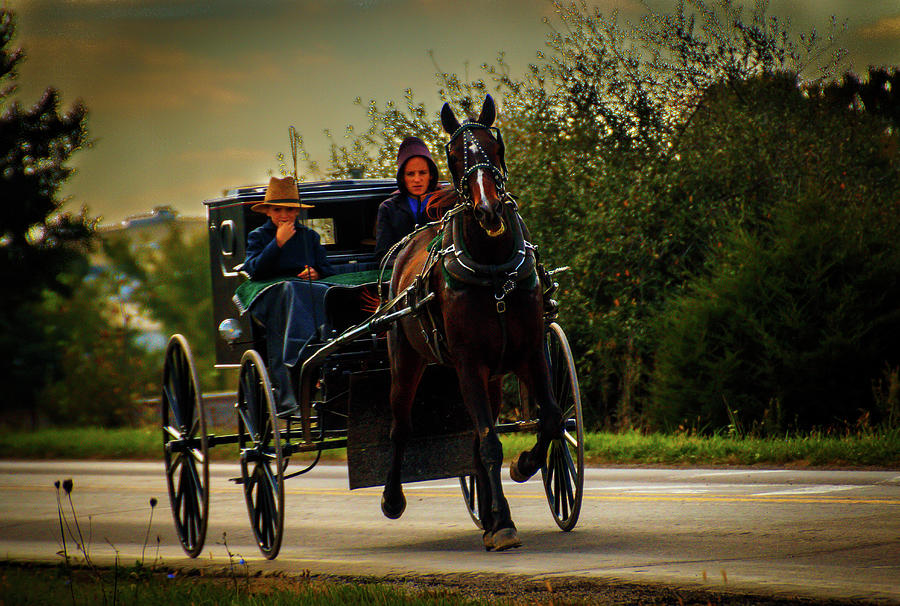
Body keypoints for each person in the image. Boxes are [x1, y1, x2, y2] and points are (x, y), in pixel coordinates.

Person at [243, 175, 335, 416]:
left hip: (305, 299)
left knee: (318, 291)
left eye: (289, 209)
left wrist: (316, 272)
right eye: (277, 209)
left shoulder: (310, 237)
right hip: (271, 299)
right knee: (289, 291)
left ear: (296, 212)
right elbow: (254, 269)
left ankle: (321, 362)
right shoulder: (258, 237)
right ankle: (286, 401)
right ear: (268, 212)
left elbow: (327, 270)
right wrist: (277, 243)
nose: (283, 215)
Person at [374, 136, 441, 262]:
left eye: (422, 173)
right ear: (402, 178)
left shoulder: (446, 203)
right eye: (410, 174)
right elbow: (384, 254)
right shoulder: (388, 208)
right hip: (403, 276)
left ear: (431, 175)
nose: (417, 179)